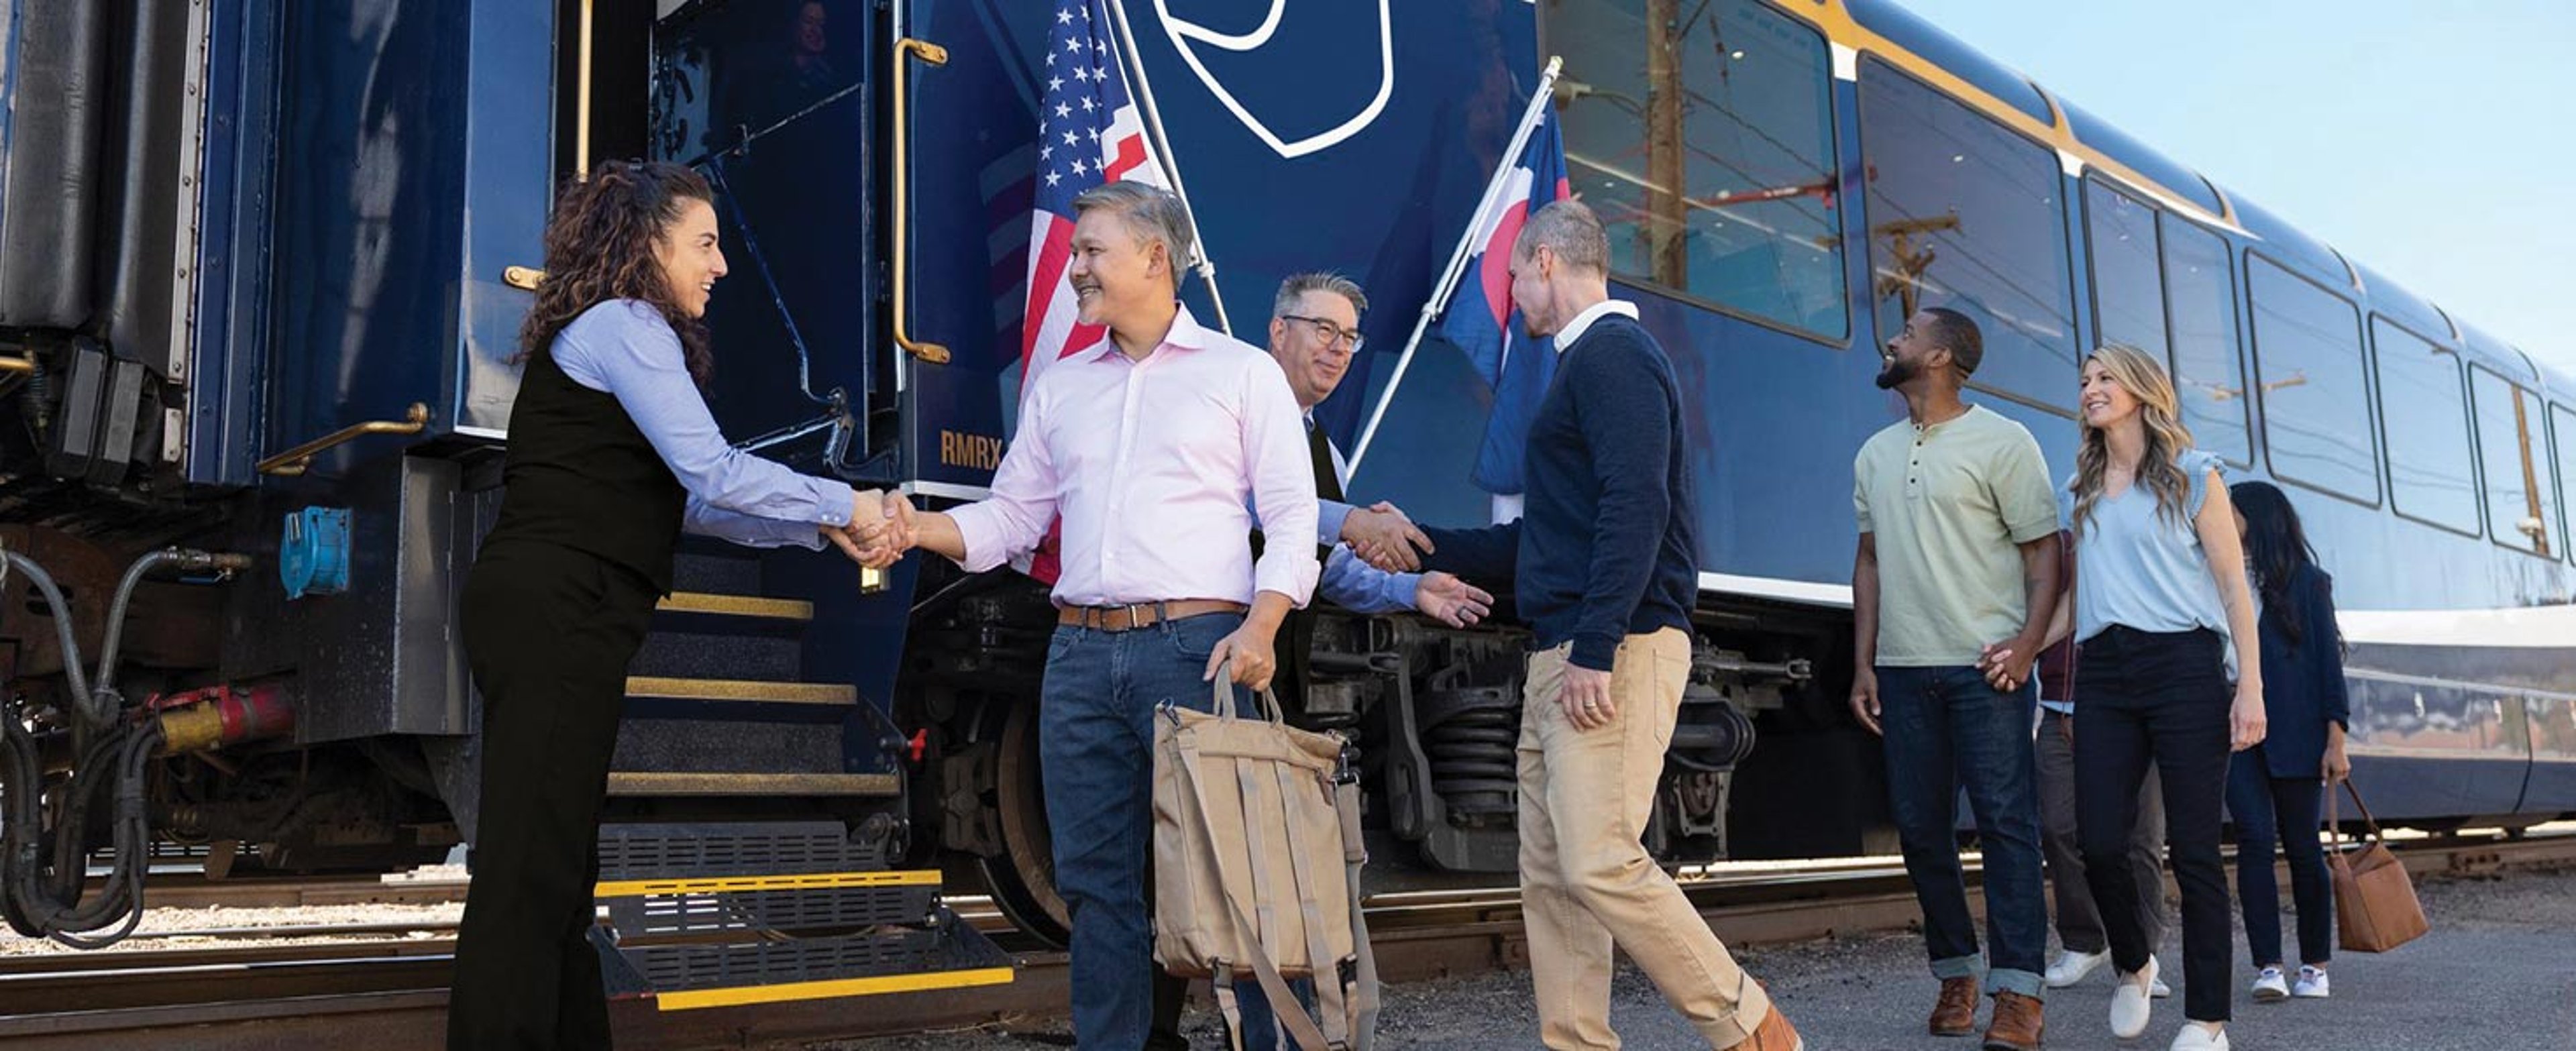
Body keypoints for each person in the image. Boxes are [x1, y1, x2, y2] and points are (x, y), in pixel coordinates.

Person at [863, 181, 1320, 1049]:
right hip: (1076, 656)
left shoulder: (1242, 373)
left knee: (1239, 876)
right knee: (1096, 883)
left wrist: (1261, 626)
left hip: (1199, 650)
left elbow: (1293, 518)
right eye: (1074, 252)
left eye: (1090, 250)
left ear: (1155, 257)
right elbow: (1011, 521)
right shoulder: (1063, 388)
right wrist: (918, 526)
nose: (1074, 266)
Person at [448, 160, 891, 1050]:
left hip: (568, 612)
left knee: (561, 870)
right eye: (705, 242)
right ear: (646, 244)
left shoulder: (615, 330)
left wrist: (821, 531)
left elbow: (694, 502)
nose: (721, 263)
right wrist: (848, 504)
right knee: (528, 873)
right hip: (556, 607)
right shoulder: (625, 321)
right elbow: (714, 470)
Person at [1408, 200, 1801, 1051]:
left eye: (1512, 274)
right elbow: (1546, 538)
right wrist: (1418, 541)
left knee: (1598, 858)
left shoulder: (1613, 356)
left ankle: (1753, 1029)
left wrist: (1594, 647)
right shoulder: (1581, 367)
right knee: (1551, 878)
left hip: (1610, 647)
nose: (1510, 294)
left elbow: (1637, 505)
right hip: (1562, 649)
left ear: (1548, 261)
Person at [1147, 271, 1496, 1049]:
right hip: (1203, 656)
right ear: (1278, 331)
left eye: (1349, 337)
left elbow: (1326, 560)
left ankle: (1266, 1034)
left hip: (1271, 669)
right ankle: (1155, 1033)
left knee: (1261, 866)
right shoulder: (1229, 399)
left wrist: (1414, 589)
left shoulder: (1318, 442)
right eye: (1323, 330)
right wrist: (1352, 519)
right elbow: (1255, 509)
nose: (1338, 351)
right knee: (1178, 851)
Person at [1985, 343, 2265, 1051]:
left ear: (2143, 389)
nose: (2090, 388)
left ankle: (2206, 1020)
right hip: (2103, 669)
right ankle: (2134, 962)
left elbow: (2235, 589)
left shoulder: (2195, 476)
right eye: (2084, 380)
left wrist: (2250, 687)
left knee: (2194, 850)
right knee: (2098, 839)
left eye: (2105, 377)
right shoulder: (2081, 487)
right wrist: (2027, 650)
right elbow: (2082, 600)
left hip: (2187, 668)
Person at [1847, 307, 2057, 1050]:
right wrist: (1864, 663)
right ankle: (1958, 972)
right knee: (1920, 831)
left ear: (1938, 356)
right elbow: (1868, 562)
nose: (1892, 341)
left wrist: (2028, 646)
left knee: (2006, 826)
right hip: (1903, 673)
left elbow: (2045, 555)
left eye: (1906, 333)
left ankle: (2019, 993)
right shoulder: (1874, 452)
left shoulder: (2005, 442)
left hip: (1985, 673)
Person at [2030, 533, 2174, 1000]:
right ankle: (2085, 939)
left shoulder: (2142, 541)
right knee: (2057, 825)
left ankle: (2144, 956)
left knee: (2143, 838)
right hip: (2057, 705)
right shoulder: (2055, 547)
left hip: (2133, 711)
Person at [2225, 480, 2350, 1003]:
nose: (2221, 519)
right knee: (2253, 841)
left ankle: (2315, 965)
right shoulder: (2219, 579)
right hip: (2234, 735)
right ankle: (2269, 965)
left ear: (2259, 517)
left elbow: (2328, 664)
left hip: (2298, 735)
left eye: (2231, 511)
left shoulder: (2308, 583)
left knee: (2302, 848)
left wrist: (2336, 738)